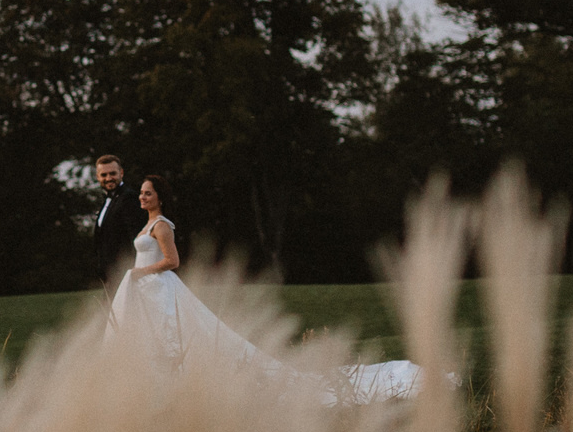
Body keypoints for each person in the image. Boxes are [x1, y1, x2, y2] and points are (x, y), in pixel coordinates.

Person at [108, 176, 422, 404]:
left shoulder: (162, 225)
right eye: (142, 193)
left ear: (160, 197)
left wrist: (139, 272)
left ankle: (178, 382)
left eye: (148, 193)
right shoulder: (147, 224)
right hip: (146, 289)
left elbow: (172, 261)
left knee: (173, 331)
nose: (142, 197)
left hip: (158, 286)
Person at [90, 153, 148, 284]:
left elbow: (137, 235)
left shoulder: (129, 198)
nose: (109, 178)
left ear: (121, 173)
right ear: (97, 177)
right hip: (110, 273)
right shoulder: (107, 201)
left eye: (112, 173)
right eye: (104, 175)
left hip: (125, 270)